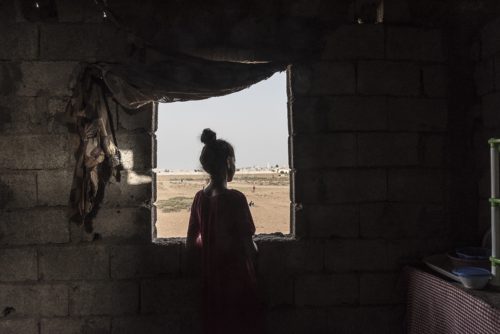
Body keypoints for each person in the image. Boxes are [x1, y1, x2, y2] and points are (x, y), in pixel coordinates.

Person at [186, 128, 262, 334]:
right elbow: (249, 247)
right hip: (236, 283)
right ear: (228, 162)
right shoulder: (236, 199)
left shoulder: (199, 198)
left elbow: (190, 243)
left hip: (210, 284)